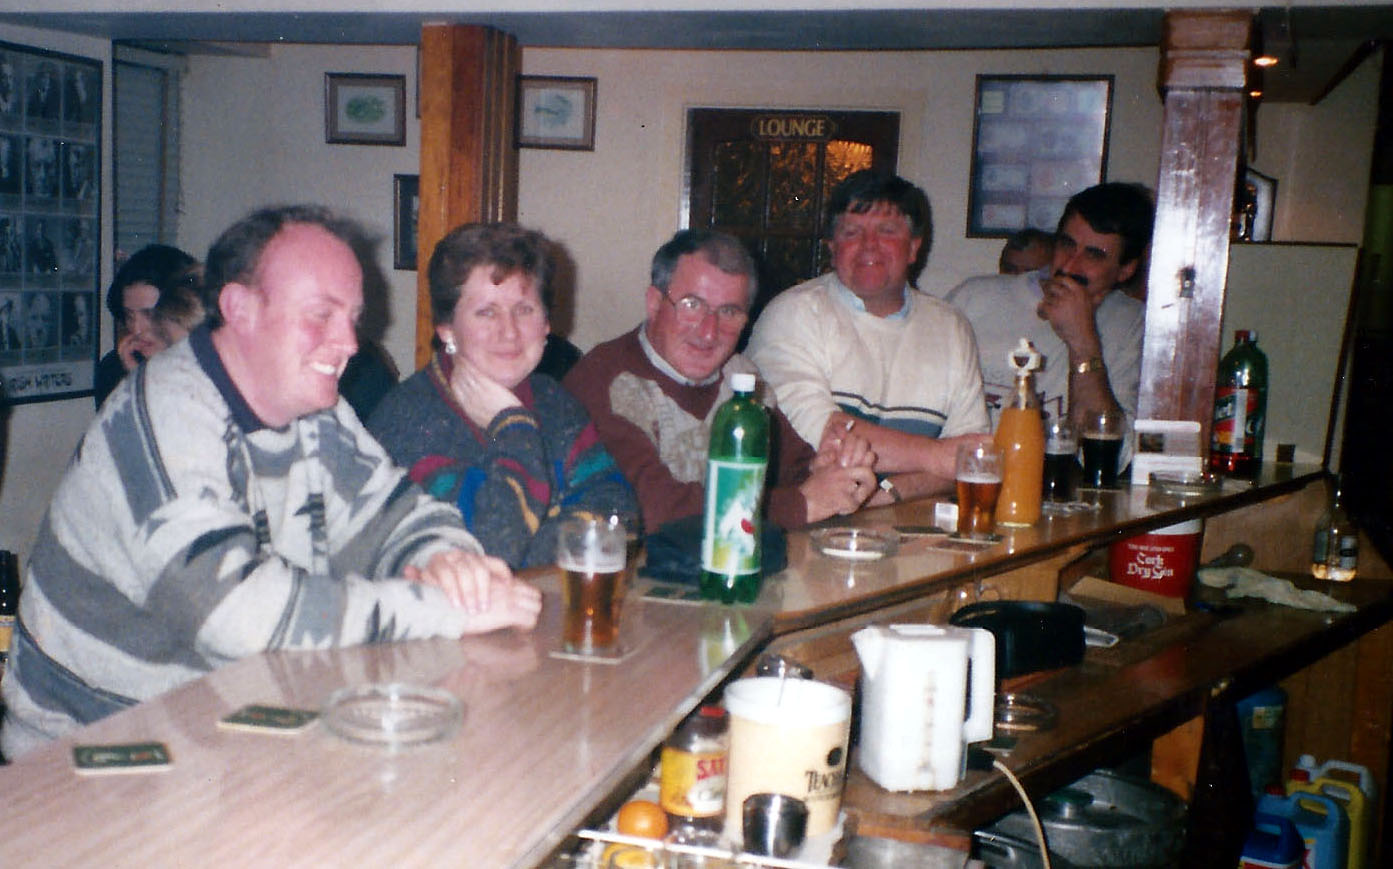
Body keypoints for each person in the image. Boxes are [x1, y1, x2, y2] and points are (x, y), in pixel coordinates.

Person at [1, 205, 540, 758]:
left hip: (225, 724)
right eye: (321, 315)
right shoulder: (167, 415)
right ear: (239, 309)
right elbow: (235, 617)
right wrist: (444, 609)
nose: (349, 343)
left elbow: (393, 513)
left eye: (352, 318)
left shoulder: (314, 410)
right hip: (91, 751)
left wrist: (448, 560)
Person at [564, 229, 877, 531]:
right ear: (655, 303)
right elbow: (648, 509)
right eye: (692, 305)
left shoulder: (742, 378)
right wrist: (800, 504)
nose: (709, 332)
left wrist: (827, 471)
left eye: (728, 311)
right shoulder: (604, 379)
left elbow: (793, 473)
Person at [368, 222, 636, 569]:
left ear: (546, 324)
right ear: (447, 329)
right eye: (486, 312)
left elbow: (620, 515)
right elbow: (490, 550)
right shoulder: (408, 421)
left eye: (524, 310)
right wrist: (514, 428)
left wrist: (533, 542)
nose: (509, 332)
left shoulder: (554, 402)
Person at [745, 170, 990, 499]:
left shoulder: (951, 327)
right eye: (852, 232)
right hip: (800, 517)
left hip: (904, 515)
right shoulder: (793, 313)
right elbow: (822, 436)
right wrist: (936, 456)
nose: (869, 245)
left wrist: (889, 493)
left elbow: (971, 458)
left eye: (887, 231)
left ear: (913, 247)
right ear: (832, 248)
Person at [945, 182, 1152, 459]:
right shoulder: (974, 298)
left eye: (1094, 255)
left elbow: (1107, 458)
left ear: (1125, 269)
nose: (1069, 266)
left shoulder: (1132, 324)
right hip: (967, 473)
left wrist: (1083, 342)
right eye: (1067, 244)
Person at [92, 244, 204, 407]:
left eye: (149, 315)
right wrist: (136, 381)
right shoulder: (115, 368)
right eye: (130, 316)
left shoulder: (210, 366)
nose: (137, 329)